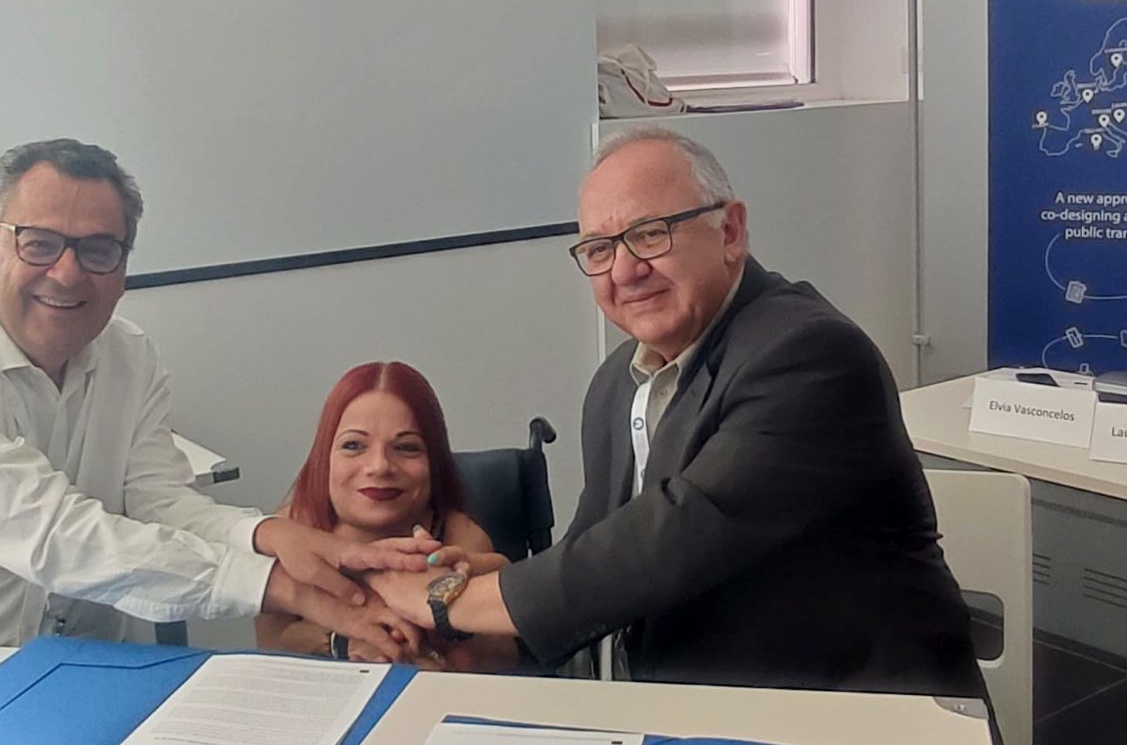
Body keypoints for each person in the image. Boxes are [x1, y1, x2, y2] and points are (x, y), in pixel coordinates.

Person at [367, 126, 987, 699]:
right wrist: (481, 615)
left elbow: (670, 537)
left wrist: (449, 602)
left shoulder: (810, 355)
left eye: (650, 234)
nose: (626, 270)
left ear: (730, 231)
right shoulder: (617, 382)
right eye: (599, 249)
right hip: (680, 714)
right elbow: (596, 558)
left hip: (854, 725)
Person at [0, 140, 431, 720]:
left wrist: (274, 536)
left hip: (79, 679)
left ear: (123, 267)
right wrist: (284, 588)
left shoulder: (129, 356)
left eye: (97, 250)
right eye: (39, 244)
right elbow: (57, 539)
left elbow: (161, 505)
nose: (66, 273)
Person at [255, 362, 518, 671]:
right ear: (324, 458)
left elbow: (505, 661)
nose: (379, 466)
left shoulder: (461, 539)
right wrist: (344, 640)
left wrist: (448, 609)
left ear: (433, 464)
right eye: (354, 445)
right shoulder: (288, 533)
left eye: (406, 448)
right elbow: (270, 645)